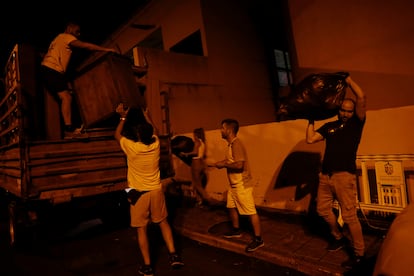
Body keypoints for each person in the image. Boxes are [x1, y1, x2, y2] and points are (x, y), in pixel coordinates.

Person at [114, 103, 184, 276]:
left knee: (141, 229)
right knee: (163, 222)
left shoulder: (133, 148)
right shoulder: (155, 146)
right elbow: (156, 131)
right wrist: (147, 115)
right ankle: (174, 255)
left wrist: (122, 116)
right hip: (156, 191)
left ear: (137, 136)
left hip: (139, 194)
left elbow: (116, 134)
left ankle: (147, 266)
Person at [305, 75, 366, 269]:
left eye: (349, 111)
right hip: (325, 176)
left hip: (343, 176)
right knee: (322, 210)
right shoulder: (330, 126)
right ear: (339, 109)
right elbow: (310, 139)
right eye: (343, 110)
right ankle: (338, 237)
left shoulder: (356, 124)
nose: (346, 114)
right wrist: (311, 120)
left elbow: (362, 96)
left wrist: (348, 81)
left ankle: (359, 254)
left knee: (349, 217)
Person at [41, 21, 118, 138]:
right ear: (69, 29)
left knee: (68, 96)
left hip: (50, 70)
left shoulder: (58, 39)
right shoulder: (66, 37)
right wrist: (106, 50)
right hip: (52, 70)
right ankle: (68, 129)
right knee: (66, 97)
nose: (79, 34)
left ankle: (70, 126)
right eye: (77, 31)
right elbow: (86, 46)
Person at [212, 118, 264, 252]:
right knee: (231, 207)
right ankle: (236, 230)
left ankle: (259, 240)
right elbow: (231, 160)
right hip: (234, 185)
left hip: (242, 184)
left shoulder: (236, 144)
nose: (220, 130)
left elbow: (240, 164)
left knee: (251, 211)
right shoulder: (230, 145)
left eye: (222, 128)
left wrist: (223, 165)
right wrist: (219, 163)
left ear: (228, 130)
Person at [179, 128, 220, 206]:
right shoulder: (203, 143)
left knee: (198, 185)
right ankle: (199, 201)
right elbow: (202, 155)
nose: (193, 136)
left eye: (194, 134)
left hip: (196, 163)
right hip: (201, 163)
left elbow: (195, 153)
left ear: (196, 135)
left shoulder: (197, 142)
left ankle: (209, 200)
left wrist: (185, 154)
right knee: (198, 184)